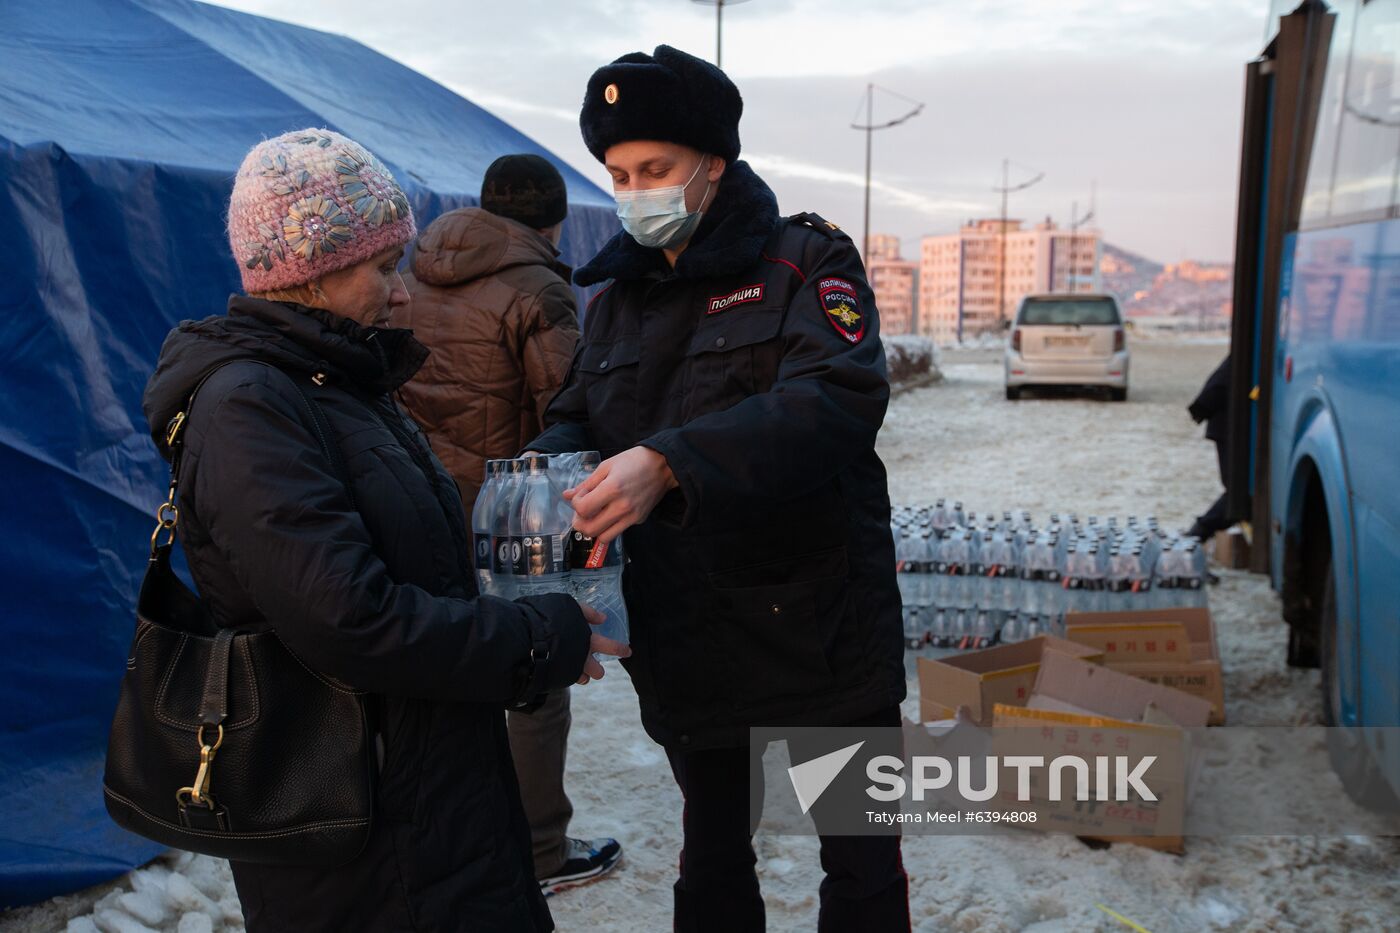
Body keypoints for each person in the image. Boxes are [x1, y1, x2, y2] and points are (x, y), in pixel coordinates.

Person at [141, 129, 626, 932]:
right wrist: (541, 637)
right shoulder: (251, 409)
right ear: (311, 272)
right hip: (356, 826)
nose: (403, 292)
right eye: (381, 267)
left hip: (428, 794)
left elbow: (414, 569)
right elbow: (352, 618)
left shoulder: (341, 382)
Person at [523, 46, 910, 932]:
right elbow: (579, 414)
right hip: (689, 630)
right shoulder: (617, 296)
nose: (635, 191)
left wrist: (669, 462)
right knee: (713, 860)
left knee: (860, 864)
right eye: (618, 174)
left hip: (823, 631)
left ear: (714, 166)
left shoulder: (805, 262)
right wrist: (543, 480)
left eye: (655, 169)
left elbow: (837, 398)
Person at [393, 154, 621, 895]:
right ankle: (541, 849)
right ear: (552, 221)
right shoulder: (540, 290)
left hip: (417, 504)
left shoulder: (410, 274)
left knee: (438, 668)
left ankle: (446, 839)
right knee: (535, 673)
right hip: (507, 518)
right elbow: (568, 412)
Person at [1187, 354, 1233, 542]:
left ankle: (1201, 530)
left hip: (1226, 426)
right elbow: (1219, 385)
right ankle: (1200, 531)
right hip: (1228, 428)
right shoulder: (1250, 353)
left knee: (1235, 488)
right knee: (1240, 491)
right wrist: (1200, 409)